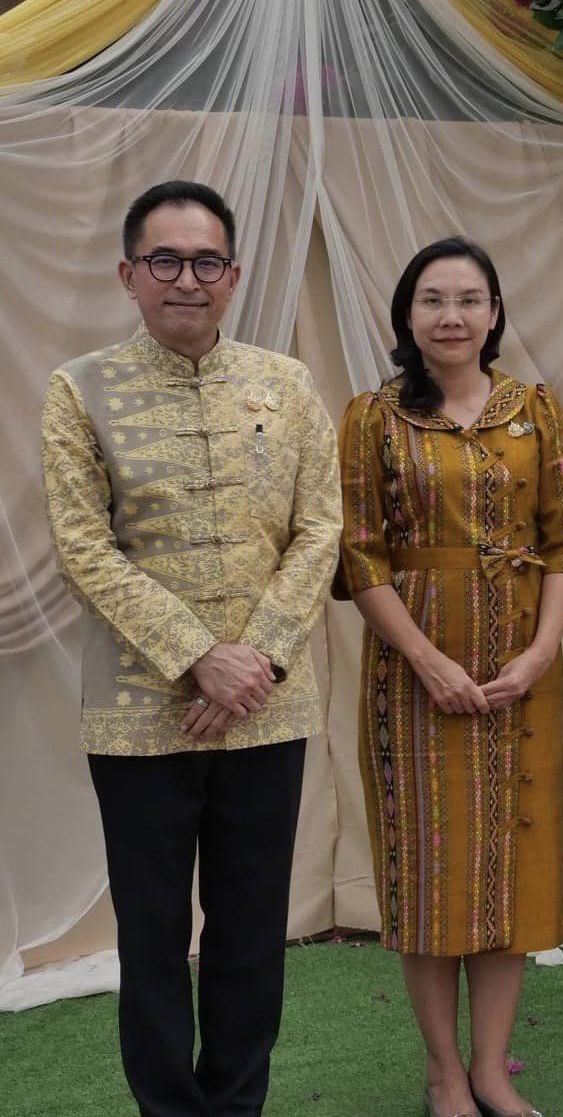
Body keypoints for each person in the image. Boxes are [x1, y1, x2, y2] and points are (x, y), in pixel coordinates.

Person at [41, 180, 341, 1115]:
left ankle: (237, 1104)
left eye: (207, 261)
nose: (187, 279)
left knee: (252, 934)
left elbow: (321, 529)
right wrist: (197, 656)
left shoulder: (287, 385)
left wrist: (256, 658)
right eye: (164, 260)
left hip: (268, 707)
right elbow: (83, 546)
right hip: (138, 716)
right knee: (152, 935)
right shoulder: (79, 389)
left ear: (233, 276)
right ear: (128, 274)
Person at [337, 237, 563, 1117]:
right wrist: (426, 660)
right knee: (430, 874)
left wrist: (540, 653)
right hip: (412, 674)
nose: (452, 316)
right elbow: (359, 555)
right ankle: (444, 1073)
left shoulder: (537, 410)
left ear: (494, 314)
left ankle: (492, 1069)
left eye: (469, 300)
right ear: (407, 316)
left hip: (523, 670)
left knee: (510, 872)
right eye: (433, 300)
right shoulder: (373, 416)